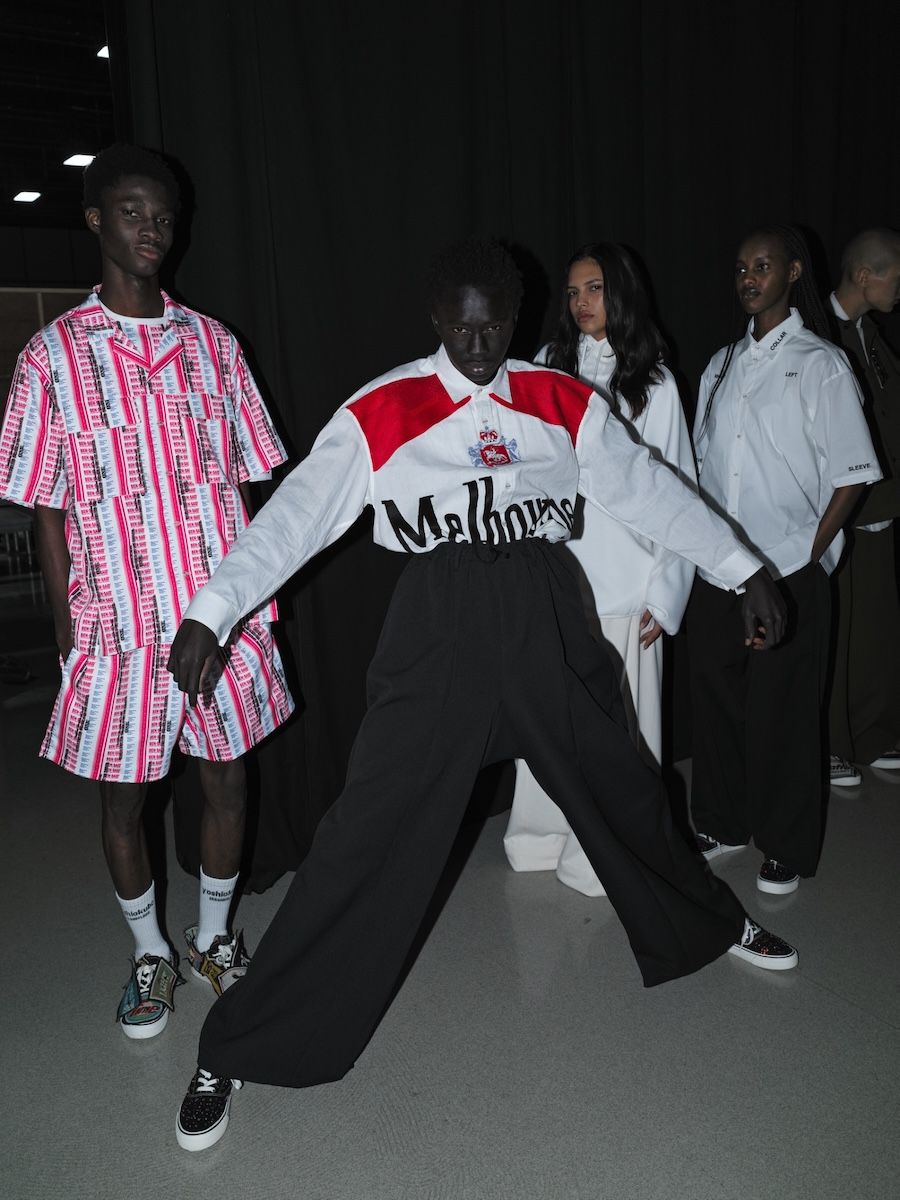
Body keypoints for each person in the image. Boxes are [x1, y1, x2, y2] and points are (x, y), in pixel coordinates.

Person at [166, 238, 798, 1153]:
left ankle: (709, 921)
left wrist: (744, 568)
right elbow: (296, 516)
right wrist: (213, 609)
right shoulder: (385, 407)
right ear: (436, 319)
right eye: (461, 328)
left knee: (624, 781)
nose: (477, 344)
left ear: (514, 317)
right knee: (365, 833)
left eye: (494, 326)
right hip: (441, 624)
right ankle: (239, 1043)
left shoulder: (558, 398)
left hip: (544, 608)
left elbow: (650, 491)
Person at [0, 145, 294, 1040]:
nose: (151, 230)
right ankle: (148, 954)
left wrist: (254, 602)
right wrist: (68, 630)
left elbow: (250, 484)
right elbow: (44, 508)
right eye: (131, 212)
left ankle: (213, 939)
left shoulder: (215, 346)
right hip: (118, 624)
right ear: (97, 220)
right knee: (123, 800)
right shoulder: (52, 356)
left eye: (163, 216)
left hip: (219, 613)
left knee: (228, 779)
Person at [687, 224, 881, 898]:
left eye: (762, 266)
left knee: (784, 712)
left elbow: (853, 475)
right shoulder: (719, 366)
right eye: (741, 268)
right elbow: (702, 468)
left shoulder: (821, 363)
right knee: (716, 701)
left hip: (791, 570)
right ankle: (722, 821)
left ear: (793, 273)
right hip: (721, 569)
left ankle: (787, 845)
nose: (748, 278)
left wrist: (806, 557)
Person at [504, 242, 696, 897]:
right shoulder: (546, 366)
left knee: (622, 727)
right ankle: (540, 835)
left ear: (622, 293)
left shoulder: (656, 384)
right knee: (551, 716)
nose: (582, 302)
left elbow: (679, 489)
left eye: (594, 288)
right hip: (559, 578)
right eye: (574, 291)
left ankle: (613, 854)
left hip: (627, 580)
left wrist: (665, 593)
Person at [827, 229, 900, 785]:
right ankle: (828, 744)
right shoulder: (819, 333)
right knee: (835, 633)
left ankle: (870, 735)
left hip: (880, 507)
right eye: (896, 277)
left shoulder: (870, 334)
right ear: (864, 275)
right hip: (837, 511)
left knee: (874, 631)